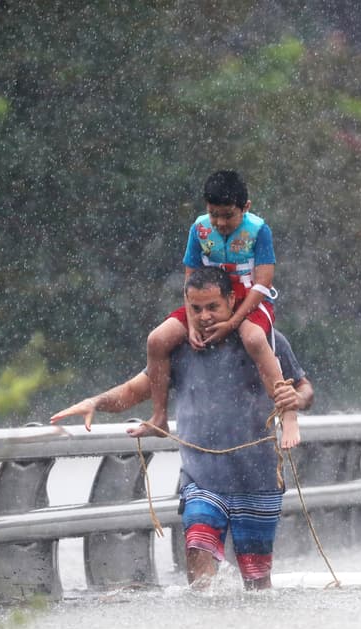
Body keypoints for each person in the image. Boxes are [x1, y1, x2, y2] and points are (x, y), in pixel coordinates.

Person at [51, 267, 314, 591]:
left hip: (257, 477)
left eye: (213, 307)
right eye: (196, 308)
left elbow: (304, 388)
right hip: (202, 478)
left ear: (232, 300)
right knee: (198, 550)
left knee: (257, 580)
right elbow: (136, 389)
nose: (204, 316)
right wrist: (96, 401)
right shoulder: (179, 348)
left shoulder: (263, 339)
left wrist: (297, 400)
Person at [135, 170, 301, 450]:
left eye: (227, 215)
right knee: (157, 340)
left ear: (245, 208)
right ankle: (160, 417)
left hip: (250, 300)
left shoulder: (259, 230)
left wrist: (234, 322)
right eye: (214, 215)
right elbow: (190, 278)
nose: (220, 223)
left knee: (254, 339)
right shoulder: (199, 229)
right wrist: (190, 321)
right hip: (207, 301)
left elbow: (263, 282)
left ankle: (288, 413)